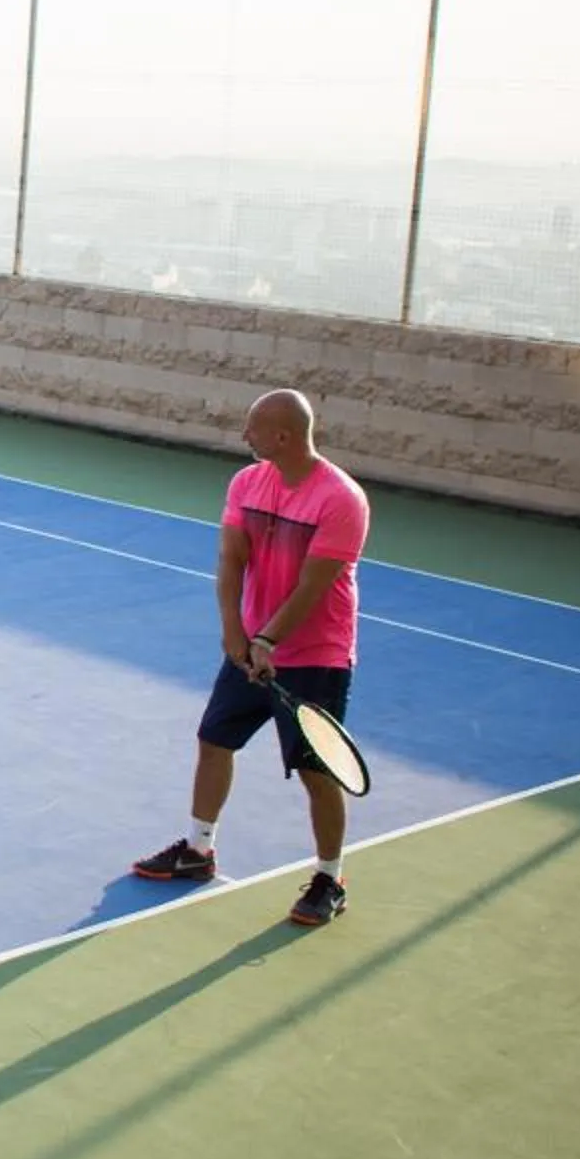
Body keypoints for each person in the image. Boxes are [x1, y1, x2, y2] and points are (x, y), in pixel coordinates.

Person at [131, 389, 371, 928]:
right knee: (214, 740)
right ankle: (198, 850)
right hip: (250, 645)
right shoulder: (246, 482)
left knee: (316, 771)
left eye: (253, 428)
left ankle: (330, 878)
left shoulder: (341, 500)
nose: (245, 436)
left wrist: (267, 641)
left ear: (284, 436)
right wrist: (234, 632)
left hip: (316, 656)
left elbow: (314, 586)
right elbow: (231, 557)